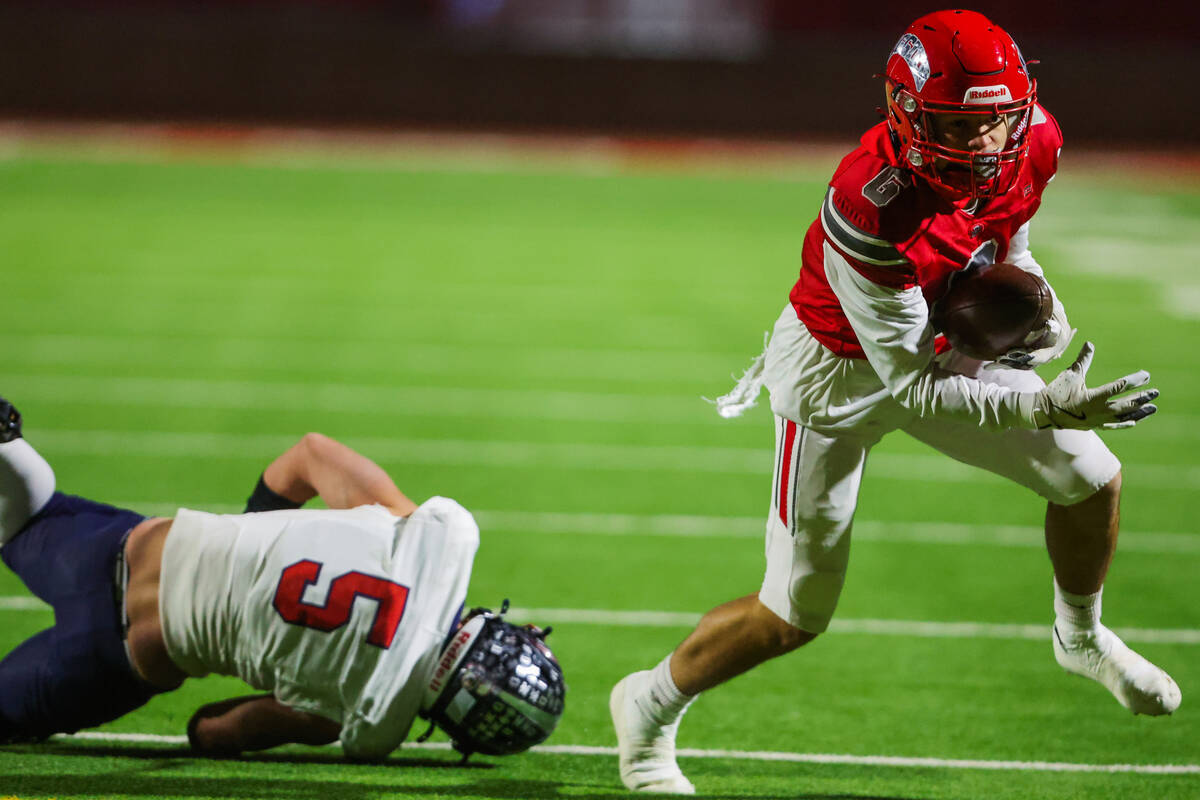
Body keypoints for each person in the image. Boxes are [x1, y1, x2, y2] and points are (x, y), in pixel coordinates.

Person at [609, 9, 1179, 794]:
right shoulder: (871, 204)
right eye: (958, 124)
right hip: (837, 374)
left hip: (941, 337)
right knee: (794, 612)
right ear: (908, 115)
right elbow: (913, 385)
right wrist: (1042, 407)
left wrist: (1041, 323)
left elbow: (1004, 247)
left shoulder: (1033, 139)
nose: (984, 145)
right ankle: (647, 705)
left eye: (996, 123)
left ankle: (1079, 636)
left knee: (1093, 480)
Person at [0, 396, 565, 760]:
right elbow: (213, 731)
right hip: (118, 654)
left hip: (127, 547)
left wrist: (252, 537)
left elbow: (308, 455)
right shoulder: (366, 716)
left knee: (27, 521)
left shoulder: (434, 537)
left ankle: (14, 455)